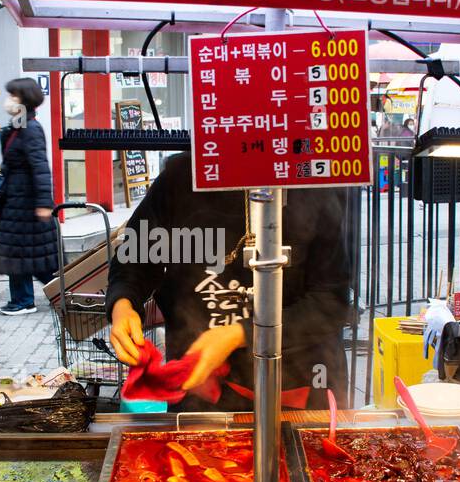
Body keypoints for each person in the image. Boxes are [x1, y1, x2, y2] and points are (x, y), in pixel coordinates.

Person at [106, 153, 351, 412]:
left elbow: (330, 302)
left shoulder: (312, 178)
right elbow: (134, 256)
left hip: (301, 382)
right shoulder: (181, 177)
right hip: (201, 389)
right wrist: (123, 305)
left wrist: (238, 334)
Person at [0, 78, 58, 316]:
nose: (9, 100)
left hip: (25, 203)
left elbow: (40, 167)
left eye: (14, 96)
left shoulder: (31, 129)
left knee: (28, 255)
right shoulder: (18, 126)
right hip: (17, 201)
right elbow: (17, 161)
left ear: (25, 99)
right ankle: (31, 297)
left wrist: (44, 204)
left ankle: (30, 299)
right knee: (27, 255)